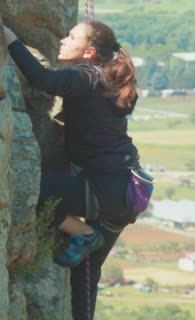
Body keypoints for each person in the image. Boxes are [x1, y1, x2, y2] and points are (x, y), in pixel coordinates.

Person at [3, 21, 143, 320]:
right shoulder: (104, 78)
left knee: (31, 191)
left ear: (89, 51)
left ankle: (84, 231)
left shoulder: (85, 76)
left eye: (72, 37)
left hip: (109, 188)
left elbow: (42, 79)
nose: (63, 40)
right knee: (86, 273)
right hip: (125, 189)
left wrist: (10, 38)